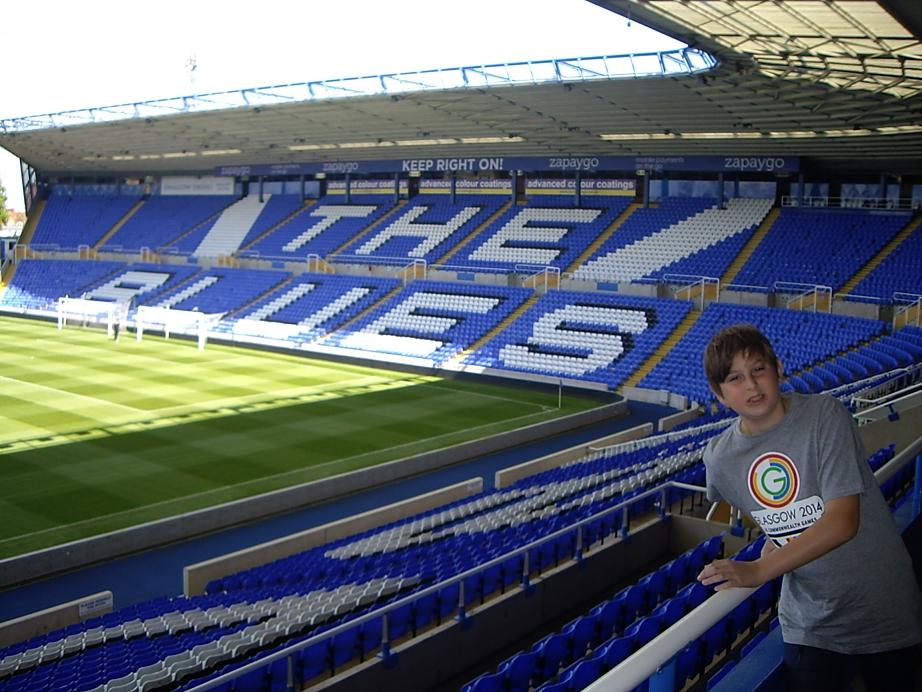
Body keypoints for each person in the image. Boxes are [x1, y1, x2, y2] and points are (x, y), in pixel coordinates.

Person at [696, 323, 922, 691]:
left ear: (778, 369)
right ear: (719, 394)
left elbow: (842, 521)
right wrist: (775, 538)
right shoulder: (720, 460)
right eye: (735, 378)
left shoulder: (824, 416)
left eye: (758, 369)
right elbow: (773, 513)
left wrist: (759, 569)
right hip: (809, 623)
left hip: (882, 606)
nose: (751, 385)